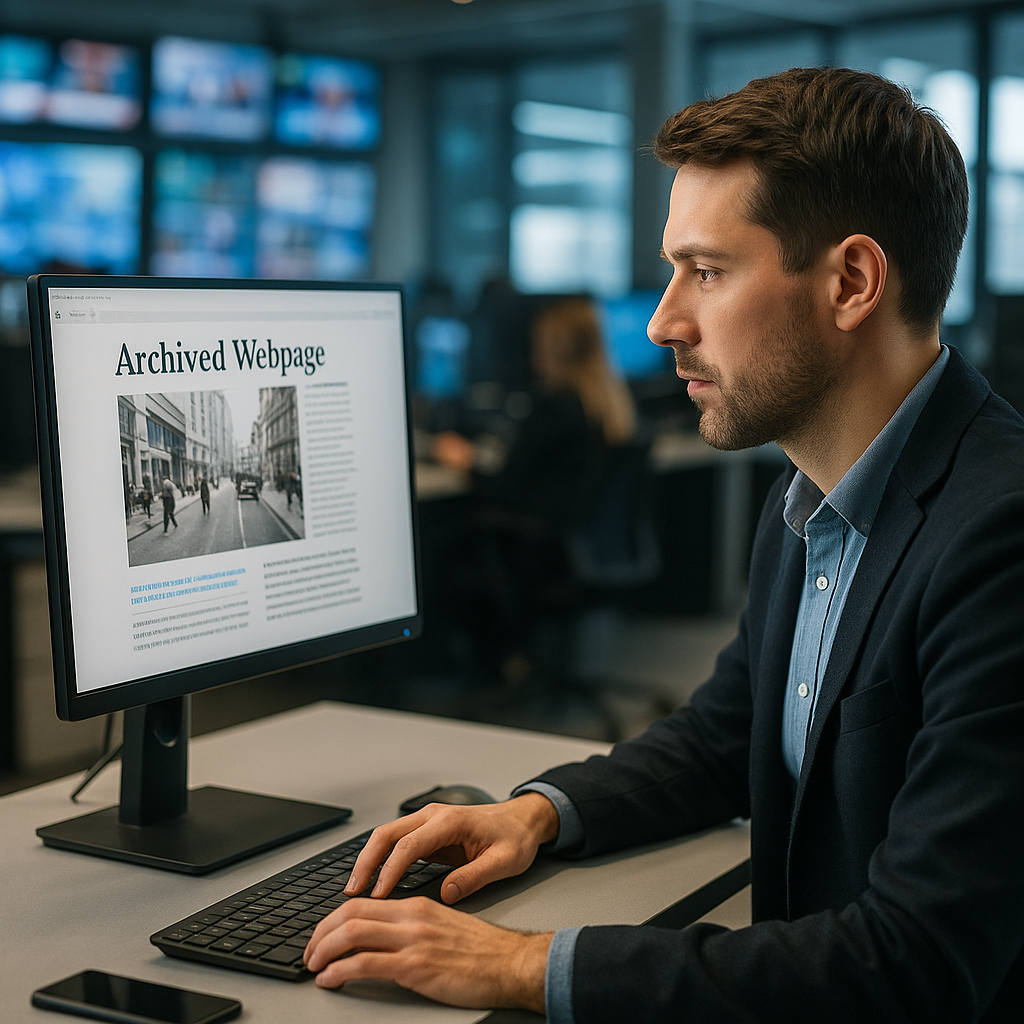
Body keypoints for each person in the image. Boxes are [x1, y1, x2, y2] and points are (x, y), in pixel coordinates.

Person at [303, 67, 1024, 1022]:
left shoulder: (1001, 536)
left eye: (709, 271)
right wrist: (536, 814)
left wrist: (523, 967)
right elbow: (727, 734)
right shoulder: (808, 496)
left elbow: (915, 965)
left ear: (852, 281)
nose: (661, 322)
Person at [431, 297, 637, 680]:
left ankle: (481, 668)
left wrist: (464, 460)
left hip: (542, 554)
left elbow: (505, 486)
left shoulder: (554, 408)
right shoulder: (609, 406)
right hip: (581, 550)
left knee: (437, 543)